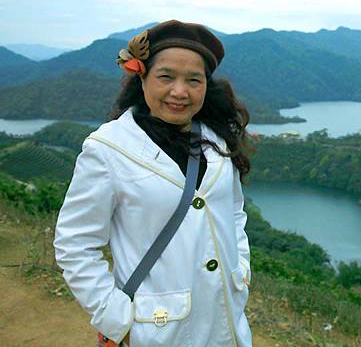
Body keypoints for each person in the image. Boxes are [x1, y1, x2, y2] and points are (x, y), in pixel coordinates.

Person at [53, 19, 253, 347]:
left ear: (206, 85)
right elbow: (75, 244)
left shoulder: (216, 141)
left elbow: (233, 213)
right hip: (156, 329)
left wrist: (240, 270)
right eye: (166, 77)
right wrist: (116, 318)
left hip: (226, 324)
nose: (180, 91)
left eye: (194, 80)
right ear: (142, 77)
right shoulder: (108, 149)